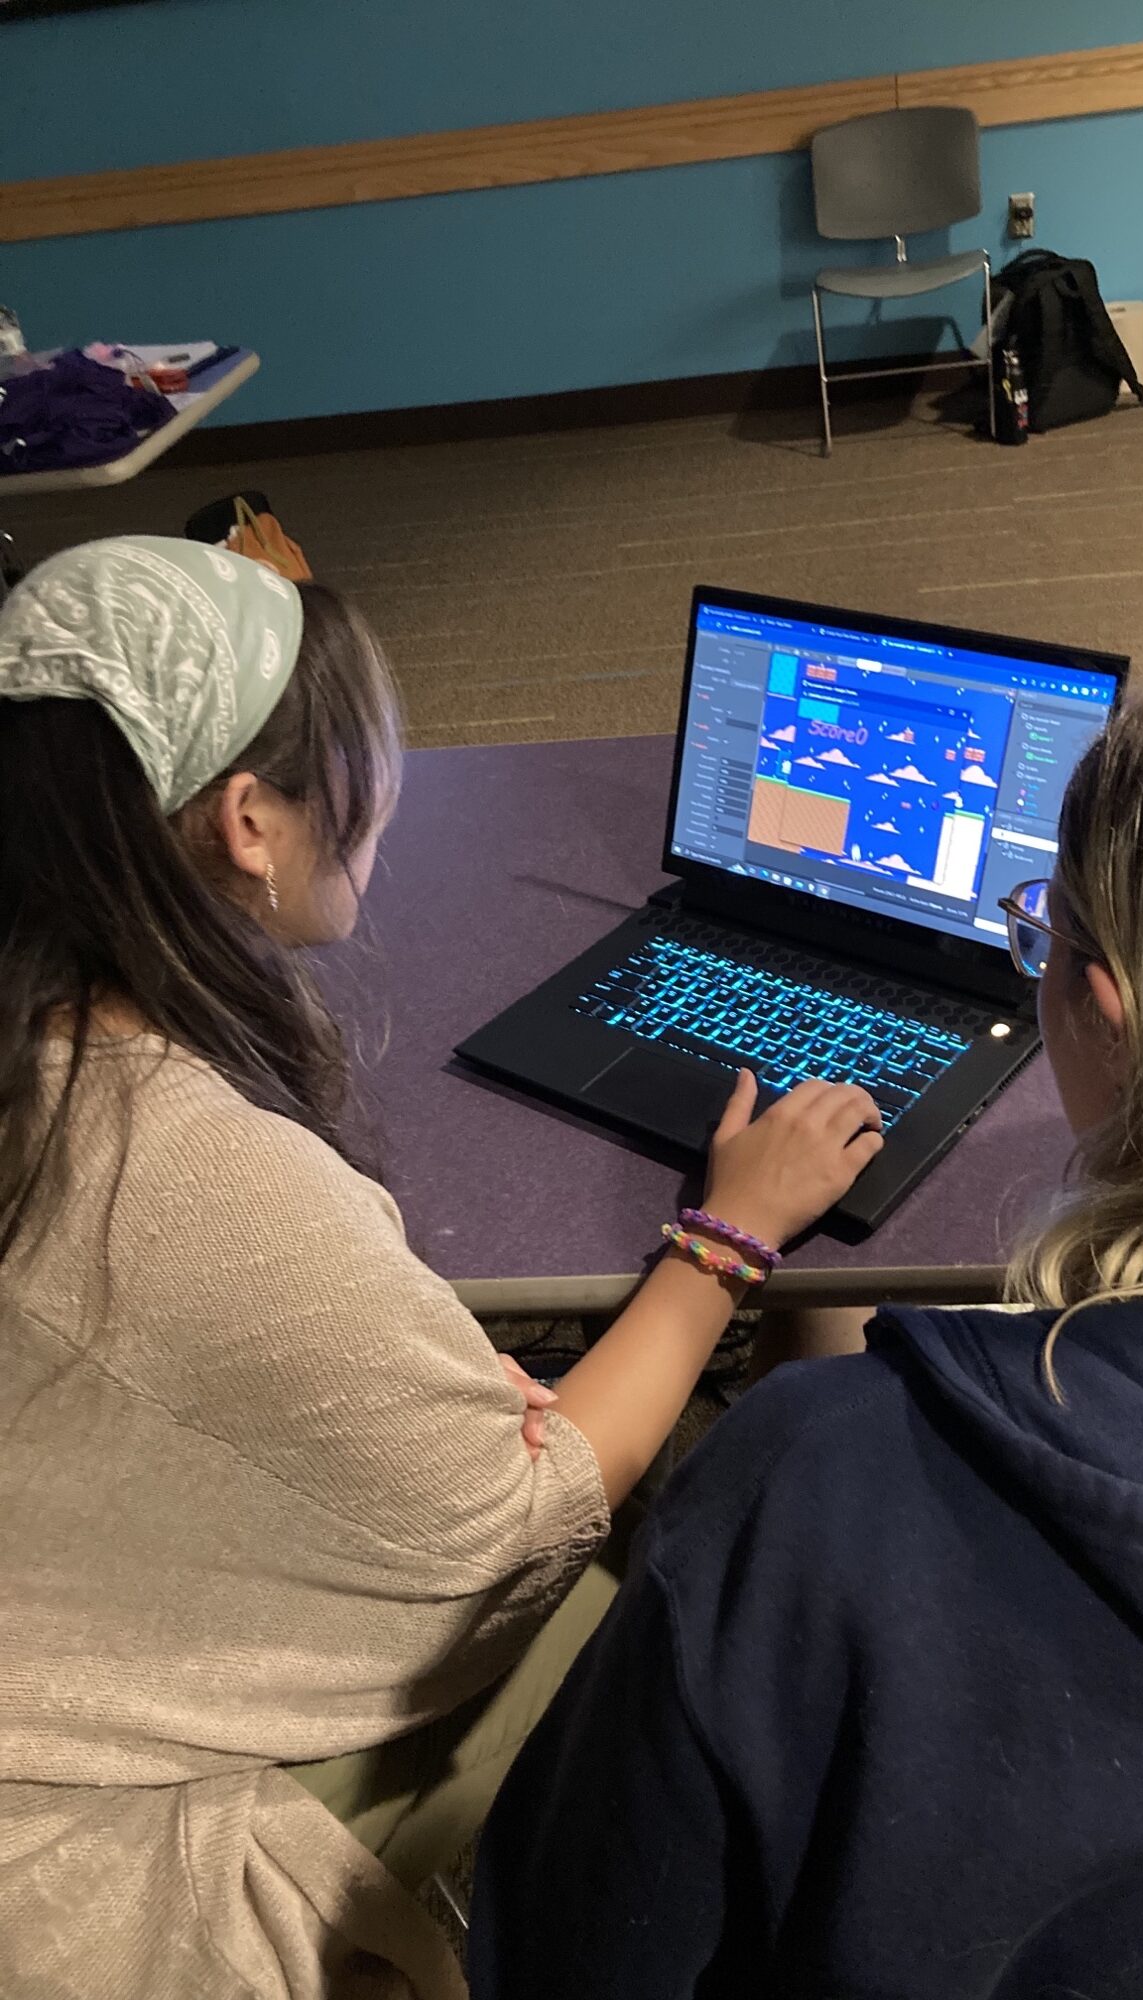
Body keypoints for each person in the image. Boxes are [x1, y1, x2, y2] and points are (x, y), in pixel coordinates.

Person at [470, 647, 1143, 2000]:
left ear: (1108, 1010)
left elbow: (560, 1953)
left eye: (1041, 935)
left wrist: (756, 1266)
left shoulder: (812, 1487)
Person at [0, 537, 881, 2000]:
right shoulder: (189, 1172)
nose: (383, 807)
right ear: (246, 823)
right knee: (698, 1604)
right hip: (85, 1840)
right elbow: (521, 1515)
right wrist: (735, 1240)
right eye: (354, 774)